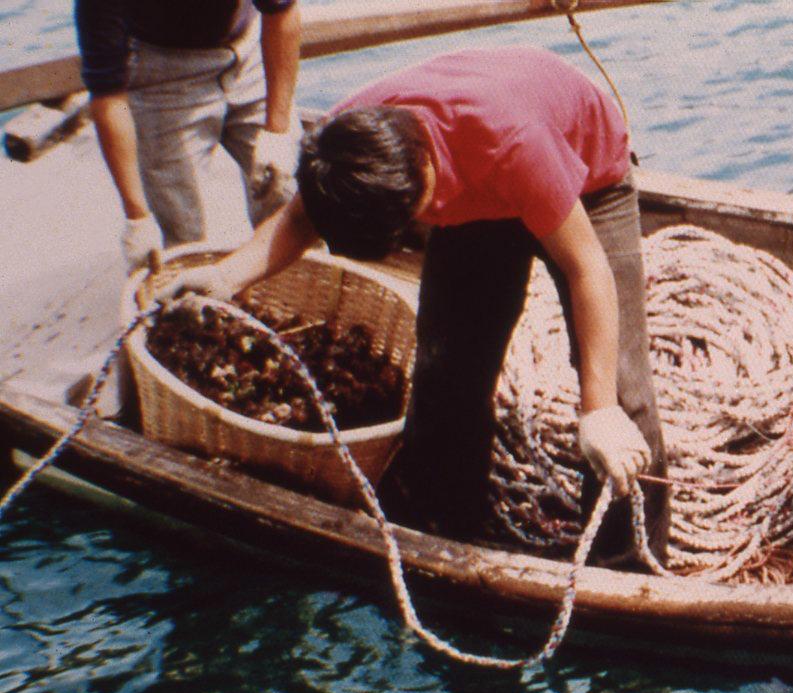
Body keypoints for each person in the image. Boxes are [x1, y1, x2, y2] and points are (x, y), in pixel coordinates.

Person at [158, 47, 669, 560]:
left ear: (419, 180)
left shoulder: (510, 143)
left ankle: (627, 560)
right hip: (480, 193)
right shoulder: (346, 147)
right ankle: (444, 522)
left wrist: (596, 409)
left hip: (585, 177)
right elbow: (298, 221)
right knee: (446, 371)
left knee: (622, 391)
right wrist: (225, 275)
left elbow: (588, 270)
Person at [75, 0, 302, 268]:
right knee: (186, 237)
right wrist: (137, 217)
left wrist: (277, 131)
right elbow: (108, 96)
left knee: (288, 194)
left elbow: (282, 11)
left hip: (250, 51)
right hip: (163, 73)